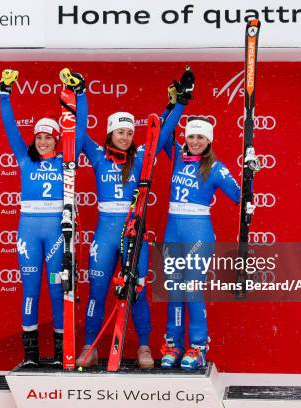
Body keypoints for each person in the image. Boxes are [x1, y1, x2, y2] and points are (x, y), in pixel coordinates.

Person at [60, 67, 194, 369]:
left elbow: (160, 132)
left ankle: (144, 347)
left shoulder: (142, 155)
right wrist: (81, 96)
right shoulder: (96, 155)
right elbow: (78, 131)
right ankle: (90, 346)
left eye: (130, 132)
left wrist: (181, 102)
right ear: (110, 132)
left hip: (134, 231)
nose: (126, 136)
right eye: (121, 131)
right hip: (106, 233)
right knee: (96, 290)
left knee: (136, 292)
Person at [0, 68, 83, 368]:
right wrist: (4, 93)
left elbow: (79, 129)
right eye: (40, 137)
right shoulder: (25, 158)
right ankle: (31, 354)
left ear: (58, 140)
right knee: (31, 289)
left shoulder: (66, 160)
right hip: (29, 232)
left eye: (49, 137)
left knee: (57, 288)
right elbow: (9, 127)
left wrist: (80, 95)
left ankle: (62, 352)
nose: (44, 142)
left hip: (56, 233)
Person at [159, 115, 241, 370]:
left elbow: (240, 195)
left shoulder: (216, 168)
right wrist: (174, 106)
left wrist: (250, 171)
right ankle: (173, 344)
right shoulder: (176, 157)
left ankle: (198, 347)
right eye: (191, 136)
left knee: (192, 290)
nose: (195, 141)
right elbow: (163, 131)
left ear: (209, 140)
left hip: (198, 233)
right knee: (174, 290)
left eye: (201, 137)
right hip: (173, 231)